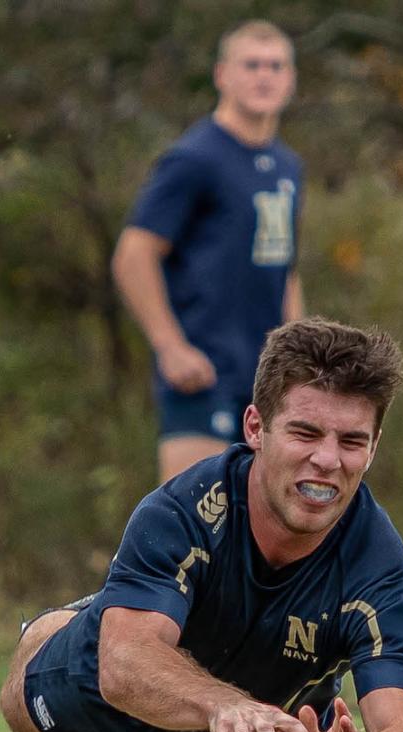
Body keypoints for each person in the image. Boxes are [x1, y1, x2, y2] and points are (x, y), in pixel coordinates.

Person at [0, 317, 403, 732]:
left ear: (373, 448)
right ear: (256, 428)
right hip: (152, 670)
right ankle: (83, 617)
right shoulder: (181, 512)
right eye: (305, 433)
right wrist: (226, 705)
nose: (328, 460)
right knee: (21, 703)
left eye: (351, 441)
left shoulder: (386, 579)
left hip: (274, 716)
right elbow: (123, 662)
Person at [112, 19, 306, 484]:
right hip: (203, 375)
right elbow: (133, 255)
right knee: (193, 526)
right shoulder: (195, 158)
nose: (264, 76)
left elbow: (285, 269)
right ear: (222, 75)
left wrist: (301, 356)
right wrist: (170, 347)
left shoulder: (287, 165)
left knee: (260, 535)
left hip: (264, 377)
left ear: (291, 79)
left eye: (276, 66)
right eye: (252, 65)